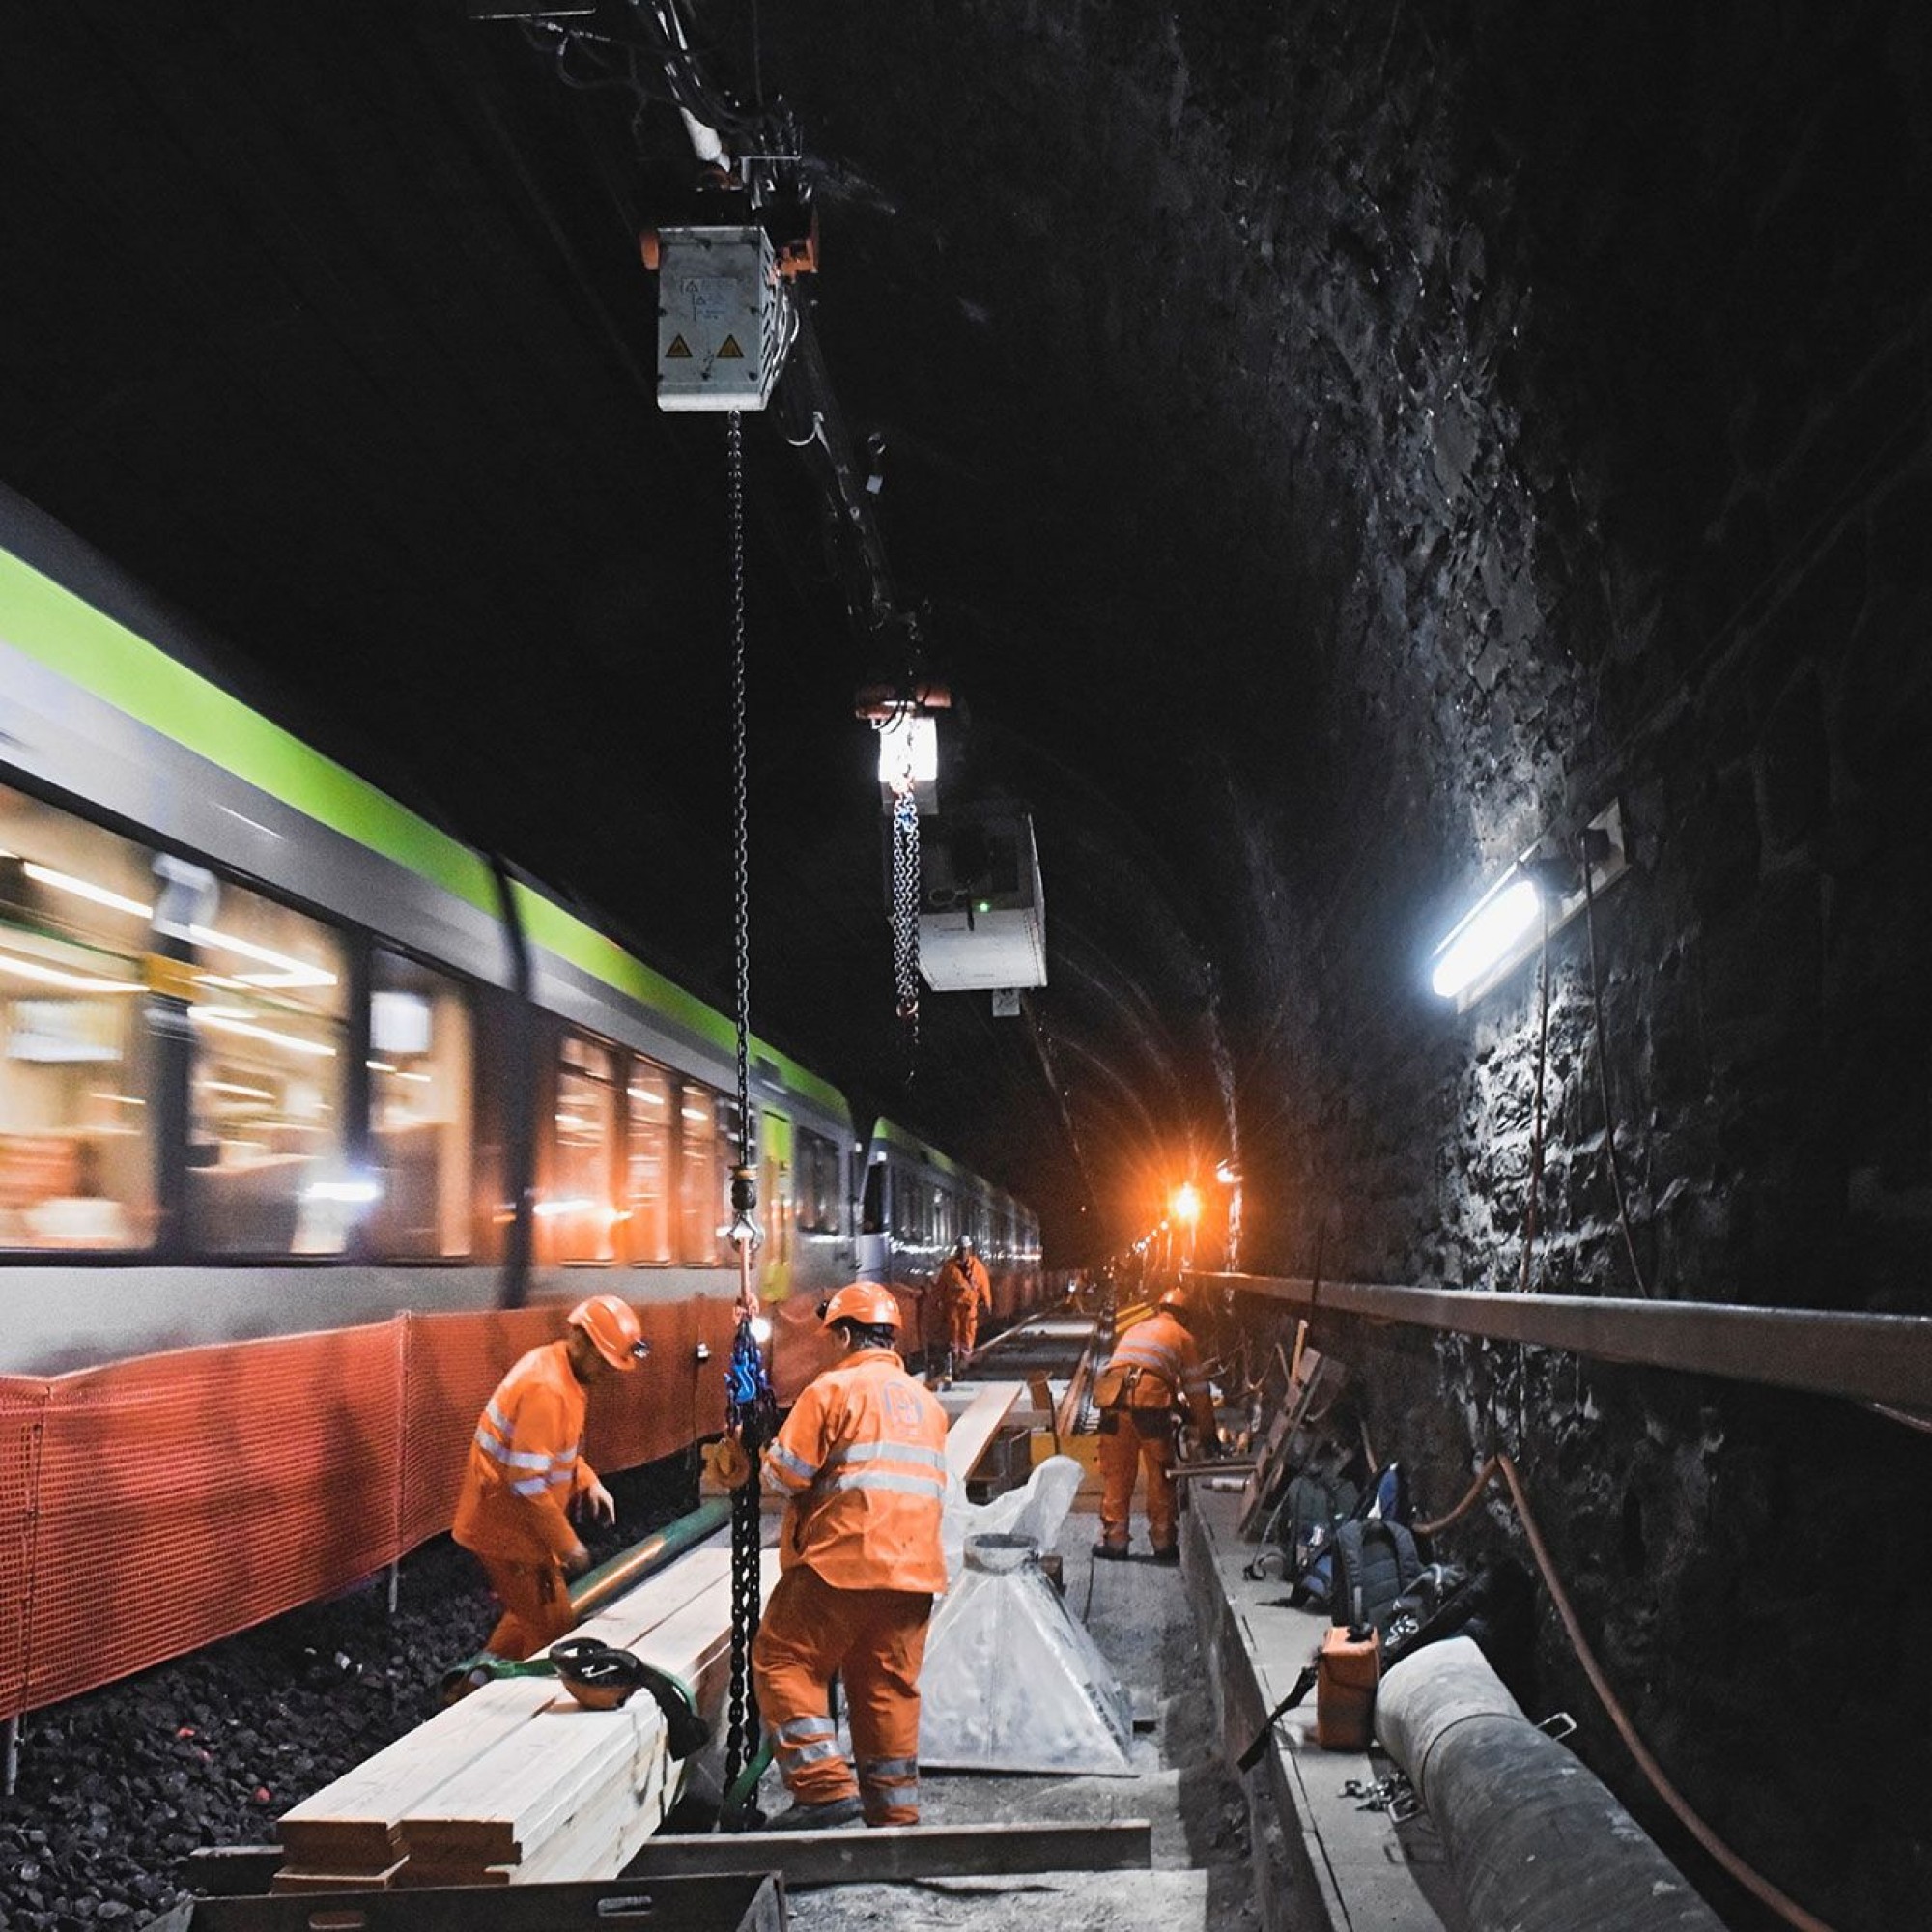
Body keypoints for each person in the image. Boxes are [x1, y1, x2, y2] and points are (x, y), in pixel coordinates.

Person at [754, 1282, 949, 1831]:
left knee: (784, 1659)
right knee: (887, 1687)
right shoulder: (926, 1404)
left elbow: (785, 1475)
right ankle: (893, 1813)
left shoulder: (832, 1390)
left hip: (842, 1562)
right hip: (915, 1573)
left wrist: (758, 1455)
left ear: (844, 1335)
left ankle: (823, 1789)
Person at [452, 1293, 651, 1667]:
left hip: (512, 1523)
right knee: (551, 1630)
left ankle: (469, 1686)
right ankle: (525, 1712)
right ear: (580, 1341)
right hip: (507, 1529)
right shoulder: (548, 1389)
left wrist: (587, 1480)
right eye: (605, 1363)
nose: (609, 1373)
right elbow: (526, 1481)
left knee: (526, 1614)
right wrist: (568, 1545)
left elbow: (556, 1453)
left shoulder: (561, 1371)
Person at [1092, 1286, 1220, 1564]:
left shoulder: (1138, 1328)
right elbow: (1198, 1390)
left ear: (1161, 1308)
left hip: (1113, 1402)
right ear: (1185, 1316)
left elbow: (1133, 1366)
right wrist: (1208, 1433)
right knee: (1160, 1474)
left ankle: (1115, 1542)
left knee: (1117, 1472)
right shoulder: (1183, 1337)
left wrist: (1176, 1404)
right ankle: (1163, 1544)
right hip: (1149, 1406)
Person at [932, 1235, 992, 1380]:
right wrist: (937, 1300)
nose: (963, 1252)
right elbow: (941, 1286)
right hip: (953, 1307)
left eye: (965, 1249)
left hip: (969, 1308)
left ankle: (964, 1362)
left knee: (968, 1334)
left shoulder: (977, 1268)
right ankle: (955, 1362)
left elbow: (984, 1286)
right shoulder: (949, 1267)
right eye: (960, 1249)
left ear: (969, 1249)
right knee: (954, 1334)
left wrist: (987, 1302)